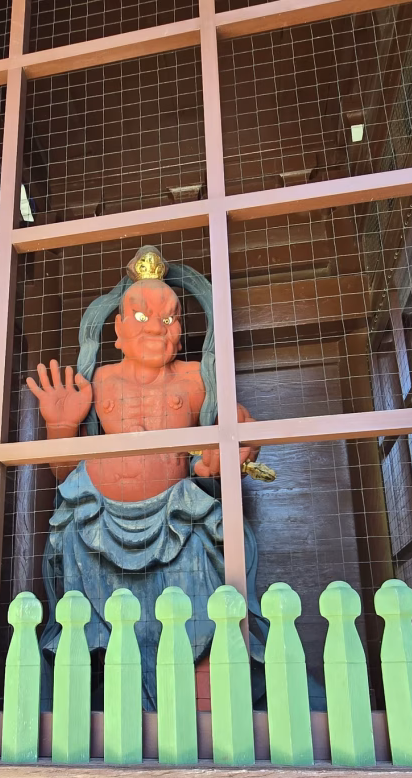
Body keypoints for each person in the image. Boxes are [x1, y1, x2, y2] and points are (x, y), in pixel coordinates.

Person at [26, 246, 270, 709]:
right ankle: (109, 708)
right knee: (93, 620)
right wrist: (61, 427)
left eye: (170, 317)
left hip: (178, 521)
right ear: (117, 330)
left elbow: (231, 432)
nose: (157, 326)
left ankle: (204, 709)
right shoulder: (98, 381)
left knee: (201, 607)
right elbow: (65, 473)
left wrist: (232, 450)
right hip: (97, 523)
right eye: (141, 316)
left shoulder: (197, 379)